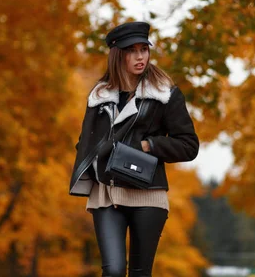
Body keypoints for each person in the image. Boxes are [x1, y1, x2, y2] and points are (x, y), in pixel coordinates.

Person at [69, 21, 199, 277]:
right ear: (118, 54)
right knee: (114, 271)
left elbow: (189, 145)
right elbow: (85, 140)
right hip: (107, 193)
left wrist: (148, 145)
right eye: (132, 50)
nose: (140, 57)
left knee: (140, 273)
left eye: (144, 49)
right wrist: (93, 154)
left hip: (147, 193)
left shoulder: (165, 94)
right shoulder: (99, 95)